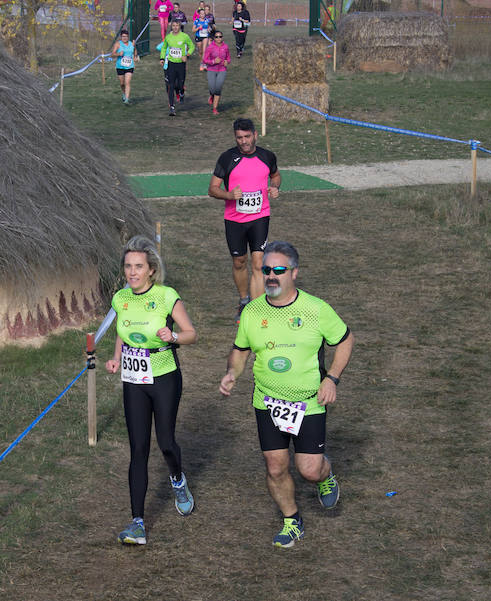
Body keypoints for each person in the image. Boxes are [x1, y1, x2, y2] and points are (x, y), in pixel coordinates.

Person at [218, 240, 354, 548]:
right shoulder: (252, 312)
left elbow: (345, 340)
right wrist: (232, 374)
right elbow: (240, 351)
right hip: (266, 402)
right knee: (276, 466)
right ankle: (292, 520)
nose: (270, 276)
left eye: (278, 270)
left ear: (294, 272)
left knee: (309, 470)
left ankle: (325, 474)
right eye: (266, 270)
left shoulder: (316, 309)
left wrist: (331, 378)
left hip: (309, 404)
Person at [106, 235, 198, 545]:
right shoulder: (121, 298)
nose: (132, 272)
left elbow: (191, 334)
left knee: (167, 441)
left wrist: (171, 335)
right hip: (134, 381)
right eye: (128, 267)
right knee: (138, 450)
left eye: (138, 267)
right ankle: (137, 523)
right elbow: (123, 331)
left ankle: (177, 479)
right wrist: (117, 357)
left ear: (151, 270)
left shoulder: (166, 296)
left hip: (164, 377)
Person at [208, 117, 282, 316]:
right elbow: (212, 189)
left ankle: (257, 309)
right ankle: (244, 300)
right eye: (239, 137)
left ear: (255, 135)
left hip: (260, 217)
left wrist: (274, 188)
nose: (243, 141)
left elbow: (275, 176)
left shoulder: (267, 156)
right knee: (239, 261)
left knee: (258, 263)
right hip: (234, 220)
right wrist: (229, 195)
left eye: (247, 136)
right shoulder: (227, 159)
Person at [158, 19, 195, 116]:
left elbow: (192, 46)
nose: (175, 27)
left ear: (180, 26)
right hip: (171, 64)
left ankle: (181, 92)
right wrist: (162, 58)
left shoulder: (184, 36)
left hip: (181, 64)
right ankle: (172, 107)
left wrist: (187, 55)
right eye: (173, 25)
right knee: (171, 85)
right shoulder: (168, 37)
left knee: (180, 84)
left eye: (177, 25)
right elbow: (164, 47)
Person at [201, 30, 231, 115]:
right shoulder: (210, 47)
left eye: (220, 37)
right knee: (212, 88)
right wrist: (214, 61)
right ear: (214, 38)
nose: (218, 38)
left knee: (218, 88)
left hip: (222, 70)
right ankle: (212, 95)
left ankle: (215, 108)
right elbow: (205, 60)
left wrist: (227, 62)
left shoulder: (226, 47)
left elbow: (228, 58)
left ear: (222, 37)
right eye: (216, 37)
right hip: (211, 69)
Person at [111, 29, 138, 104]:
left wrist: (135, 56)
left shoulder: (131, 43)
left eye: (126, 36)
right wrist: (118, 54)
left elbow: (135, 50)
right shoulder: (118, 44)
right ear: (121, 37)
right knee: (122, 83)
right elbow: (112, 54)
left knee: (127, 82)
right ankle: (124, 93)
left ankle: (127, 99)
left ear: (128, 37)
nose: (124, 38)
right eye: (123, 36)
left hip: (130, 66)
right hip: (120, 66)